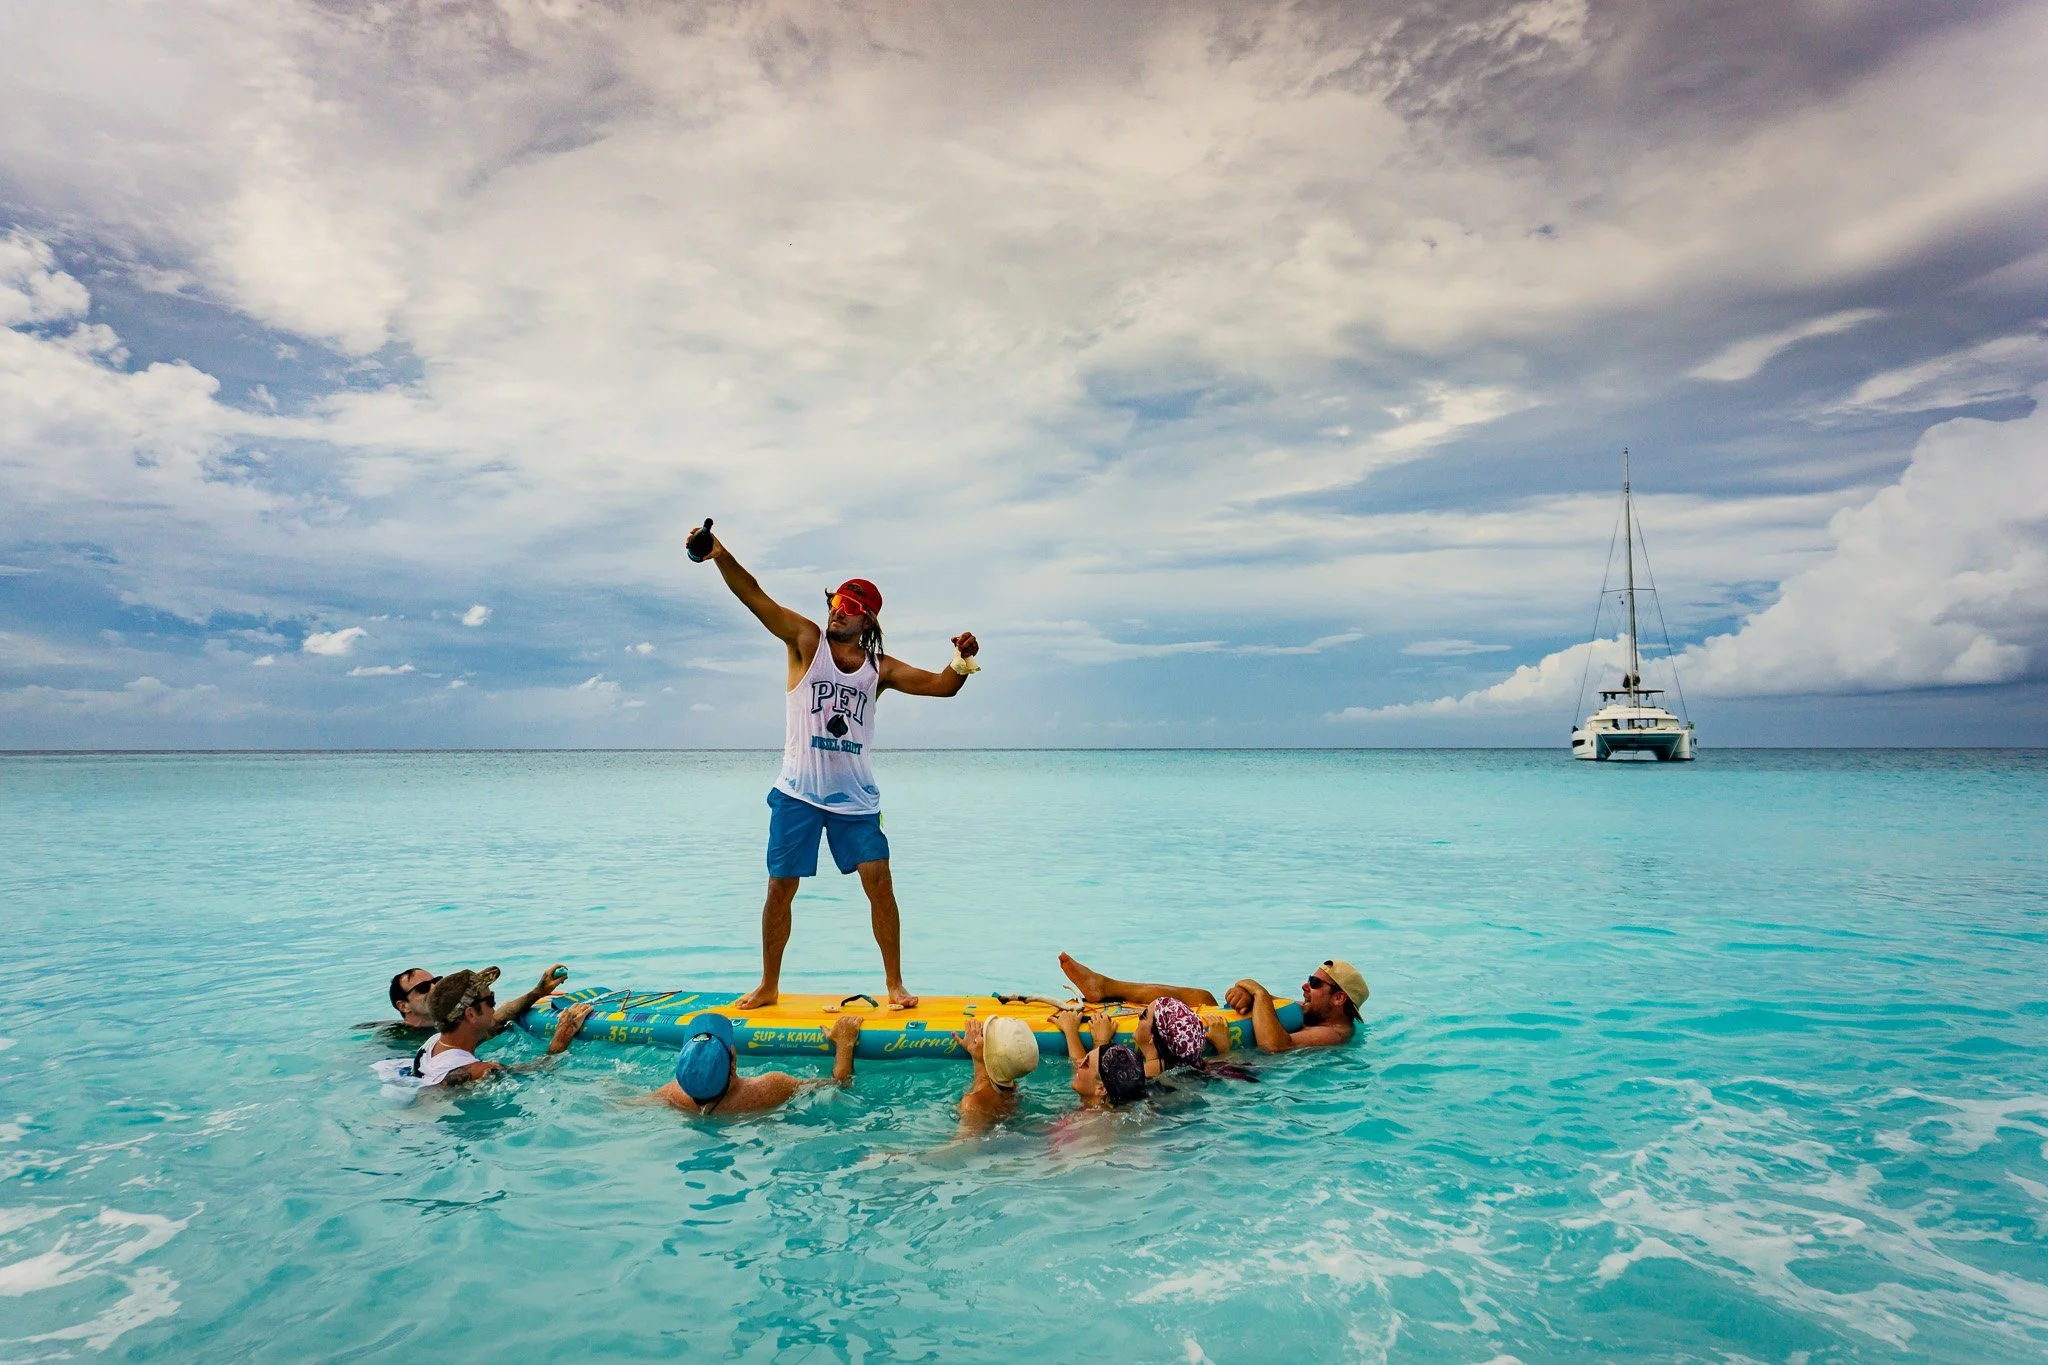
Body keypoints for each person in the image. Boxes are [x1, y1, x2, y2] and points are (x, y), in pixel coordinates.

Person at [691, 523, 981, 1010]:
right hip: (798, 793)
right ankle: (768, 986)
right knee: (780, 887)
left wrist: (961, 660)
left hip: (856, 802)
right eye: (833, 603)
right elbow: (756, 598)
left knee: (880, 883)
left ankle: (895, 986)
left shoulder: (878, 669)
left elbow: (940, 686)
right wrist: (719, 555)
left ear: (866, 620)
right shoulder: (806, 641)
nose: (835, 612)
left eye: (847, 608)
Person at [1057, 952, 1367, 1052]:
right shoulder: (1310, 1011)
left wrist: (1257, 992)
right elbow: (1268, 1003)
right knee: (1204, 998)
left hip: (1253, 1080)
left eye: (1314, 984)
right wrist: (1248, 994)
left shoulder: (1334, 1035)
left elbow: (1276, 1047)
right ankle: (1105, 986)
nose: (1305, 986)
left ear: (1339, 998)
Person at [392, 967, 594, 1088]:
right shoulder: (479, 1071)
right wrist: (562, 1036)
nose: (494, 1006)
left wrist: (538, 992)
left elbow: (497, 1020)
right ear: (470, 1014)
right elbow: (543, 1068)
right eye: (491, 1000)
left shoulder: (435, 1042)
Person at [650, 1013, 865, 1117]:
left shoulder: (675, 1094)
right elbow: (840, 1084)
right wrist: (845, 1043)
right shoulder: (770, 1087)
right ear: (732, 1064)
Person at [373, 962, 568, 1038]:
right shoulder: (396, 1038)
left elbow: (497, 1017)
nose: (434, 989)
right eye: (423, 988)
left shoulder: (452, 1030)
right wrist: (560, 1040)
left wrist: (538, 993)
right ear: (403, 1006)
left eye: (436, 982)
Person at [953, 1016, 1041, 1137]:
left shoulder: (972, 1103)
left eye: (983, 1035)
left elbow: (963, 1145)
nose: (979, 1033)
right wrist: (978, 1059)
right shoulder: (1012, 1091)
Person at [1052, 1008, 1150, 1108]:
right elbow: (1096, 1071)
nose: (1078, 1062)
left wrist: (1071, 1031)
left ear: (1101, 1089)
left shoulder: (1084, 1122)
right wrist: (1099, 1040)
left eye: (1086, 1063)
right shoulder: (1106, 1108)